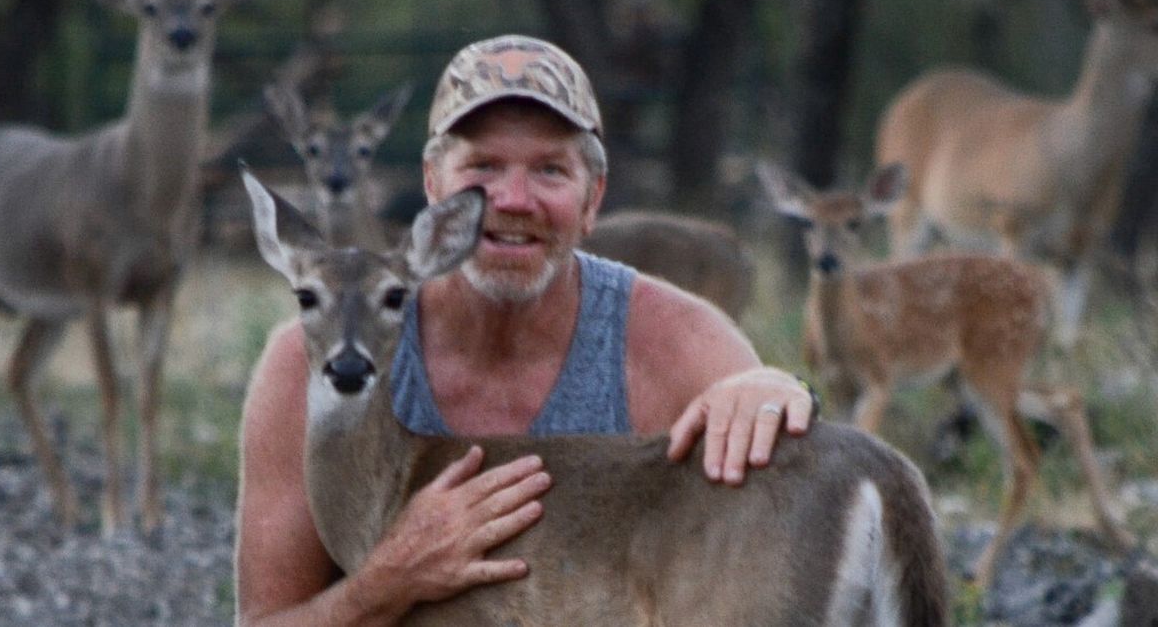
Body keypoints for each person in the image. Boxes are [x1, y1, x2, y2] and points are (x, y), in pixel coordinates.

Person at [235, 35, 816, 625]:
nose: (513, 200)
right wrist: (389, 580)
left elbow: (794, 514)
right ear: (434, 189)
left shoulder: (678, 344)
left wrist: (782, 393)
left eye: (550, 170)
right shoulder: (313, 365)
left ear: (593, 201)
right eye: (483, 166)